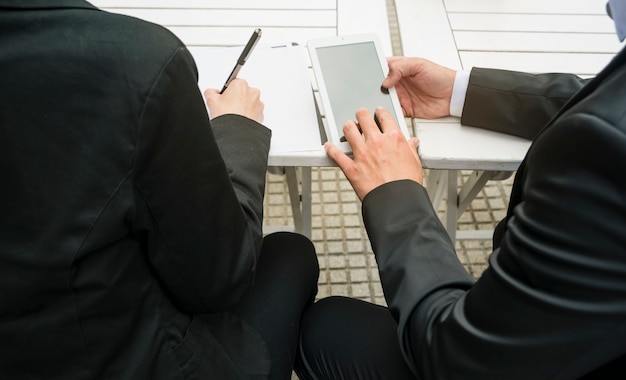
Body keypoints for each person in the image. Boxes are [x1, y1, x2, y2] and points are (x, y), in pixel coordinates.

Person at [294, 1, 626, 379]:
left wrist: (396, 191)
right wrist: (460, 91)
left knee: (323, 329)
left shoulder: (605, 149)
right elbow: (597, 94)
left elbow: (460, 356)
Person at [0, 1, 319, 379]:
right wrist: (236, 129)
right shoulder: (135, 63)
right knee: (291, 252)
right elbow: (221, 278)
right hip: (129, 361)